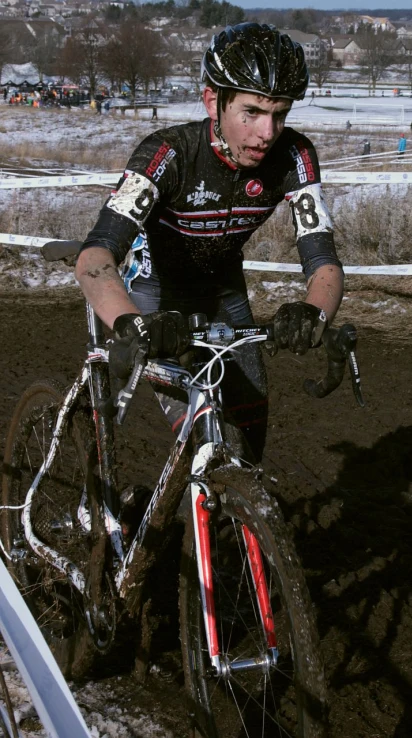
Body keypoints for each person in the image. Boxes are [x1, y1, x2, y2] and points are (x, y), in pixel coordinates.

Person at [75, 22, 343, 463]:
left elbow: (323, 260)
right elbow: (94, 257)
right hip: (154, 295)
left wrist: (314, 312)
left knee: (248, 447)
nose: (266, 132)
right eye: (252, 112)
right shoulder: (168, 153)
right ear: (212, 101)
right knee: (203, 442)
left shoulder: (294, 156)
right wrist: (129, 323)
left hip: (223, 291)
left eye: (280, 114)